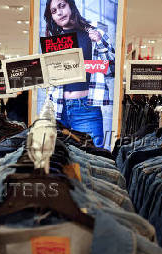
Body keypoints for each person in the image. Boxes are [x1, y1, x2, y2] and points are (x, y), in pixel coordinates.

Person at [44, 0, 115, 148]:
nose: (59, 12)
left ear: (71, 5)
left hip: (86, 110)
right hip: (58, 110)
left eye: (62, 6)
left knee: (92, 159)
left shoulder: (94, 32)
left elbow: (111, 70)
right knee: (60, 165)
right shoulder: (54, 41)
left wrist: (100, 42)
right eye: (54, 11)